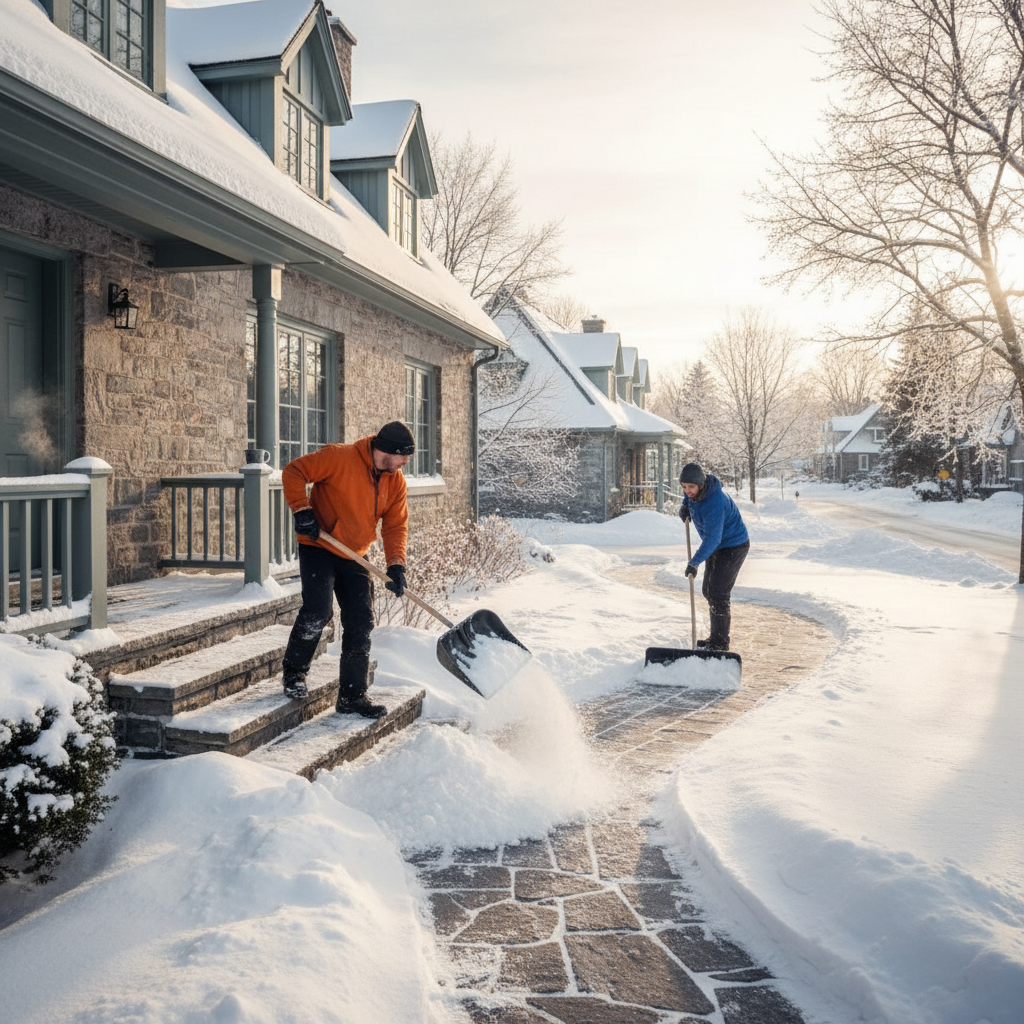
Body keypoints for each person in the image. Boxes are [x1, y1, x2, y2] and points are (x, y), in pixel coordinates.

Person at [280, 421, 415, 718]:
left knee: (361, 622)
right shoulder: (340, 458)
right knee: (318, 611)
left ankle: (352, 697)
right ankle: (294, 673)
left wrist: (396, 565)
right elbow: (294, 471)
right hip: (319, 545)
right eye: (403, 456)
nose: (406, 462)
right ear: (387, 450)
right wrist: (302, 510)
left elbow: (395, 525)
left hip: (355, 554)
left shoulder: (396, 481)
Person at [678, 462, 750, 652]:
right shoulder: (695, 493)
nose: (687, 491)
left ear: (701, 484)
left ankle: (720, 644)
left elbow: (713, 538)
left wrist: (694, 563)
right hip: (717, 545)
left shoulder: (714, 502)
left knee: (718, 593)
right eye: (684, 487)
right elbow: (689, 500)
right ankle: (715, 638)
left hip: (733, 546)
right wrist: (685, 507)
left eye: (691, 487)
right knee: (708, 590)